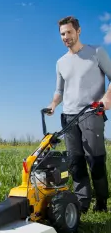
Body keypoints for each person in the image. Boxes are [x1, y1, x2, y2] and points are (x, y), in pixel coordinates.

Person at [47, 16, 111, 213]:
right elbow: (59, 90)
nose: (65, 37)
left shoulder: (97, 52)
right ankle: (83, 202)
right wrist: (53, 104)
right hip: (69, 116)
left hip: (92, 112)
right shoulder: (61, 62)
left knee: (96, 158)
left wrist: (107, 98)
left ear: (78, 31)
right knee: (75, 161)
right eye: (62, 34)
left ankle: (101, 201)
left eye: (69, 32)